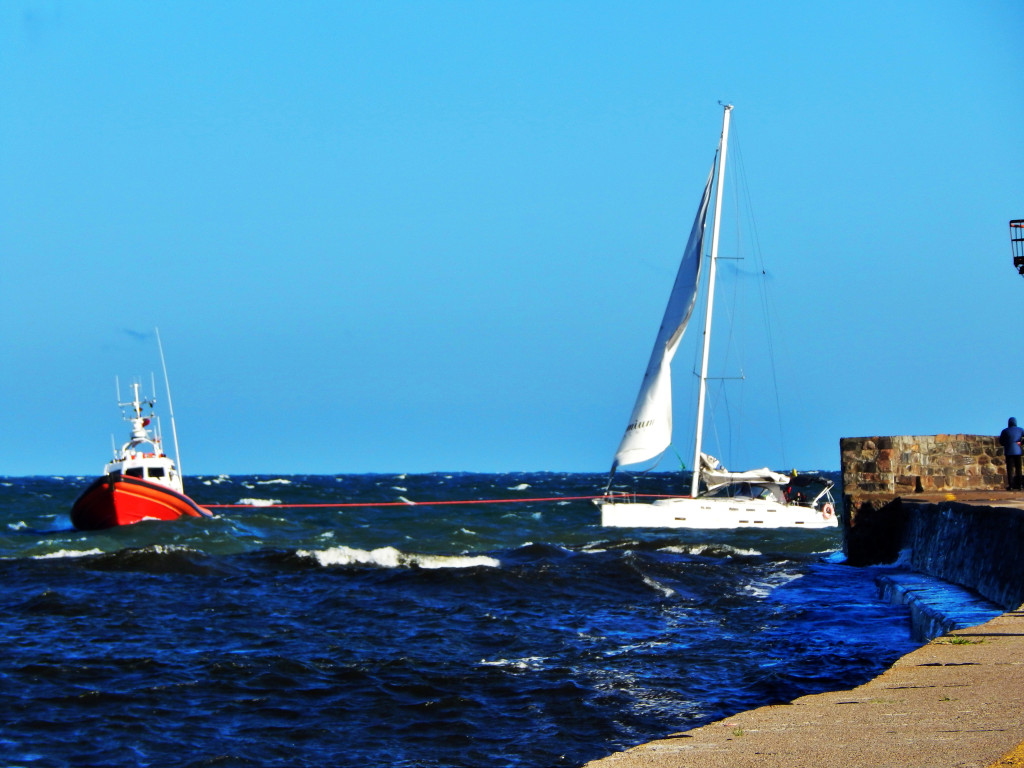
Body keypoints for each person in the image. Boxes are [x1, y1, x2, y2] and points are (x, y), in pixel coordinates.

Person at [999, 417, 1024, 490]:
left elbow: (1001, 442)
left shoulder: (1005, 431)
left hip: (1009, 451)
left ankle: (1011, 485)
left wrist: (1008, 443)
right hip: (1018, 451)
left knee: (1010, 469)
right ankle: (1020, 485)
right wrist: (1021, 443)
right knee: (1018, 469)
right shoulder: (1020, 430)